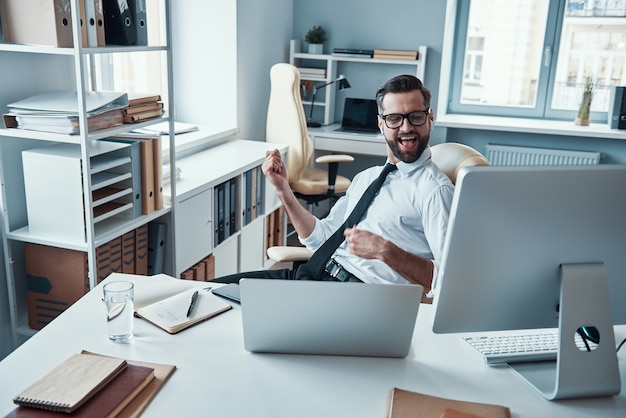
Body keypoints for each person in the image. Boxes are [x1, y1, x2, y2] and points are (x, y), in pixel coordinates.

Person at [215, 74, 454, 296]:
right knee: (213, 291)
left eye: (416, 116)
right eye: (394, 118)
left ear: (429, 118)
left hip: (354, 297)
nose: (406, 127)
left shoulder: (434, 190)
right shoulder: (368, 177)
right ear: (381, 124)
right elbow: (321, 239)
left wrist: (386, 251)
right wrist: (283, 189)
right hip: (313, 276)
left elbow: (447, 282)